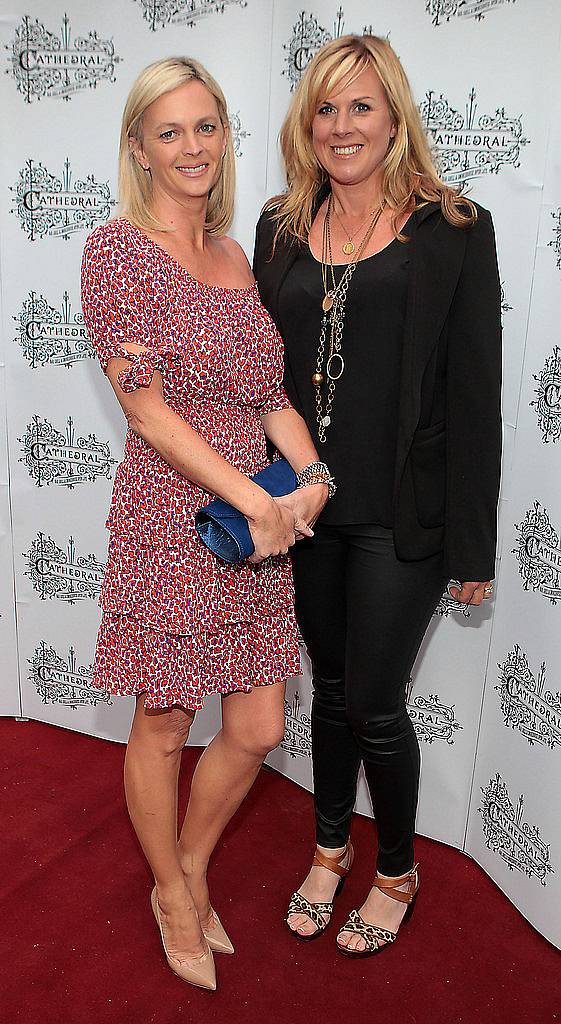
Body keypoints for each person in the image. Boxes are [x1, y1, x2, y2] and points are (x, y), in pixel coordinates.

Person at [81, 57, 331, 990]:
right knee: (161, 717)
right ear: (139, 148)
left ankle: (185, 864)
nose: (192, 147)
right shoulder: (117, 251)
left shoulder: (235, 252)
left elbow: (270, 395)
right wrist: (259, 499)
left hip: (254, 521)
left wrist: (309, 476)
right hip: (175, 516)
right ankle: (174, 893)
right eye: (170, 131)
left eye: (206, 126)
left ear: (225, 135)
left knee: (259, 725)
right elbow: (146, 412)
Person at [253, 34, 502, 957]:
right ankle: (328, 850)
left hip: (406, 513)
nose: (341, 126)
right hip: (305, 510)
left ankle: (394, 868)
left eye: (360, 106)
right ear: (305, 123)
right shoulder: (279, 225)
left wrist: (471, 548)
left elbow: (474, 395)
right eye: (325, 108)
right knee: (327, 692)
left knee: (374, 702)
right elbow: (258, 373)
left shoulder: (453, 229)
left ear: (394, 116)